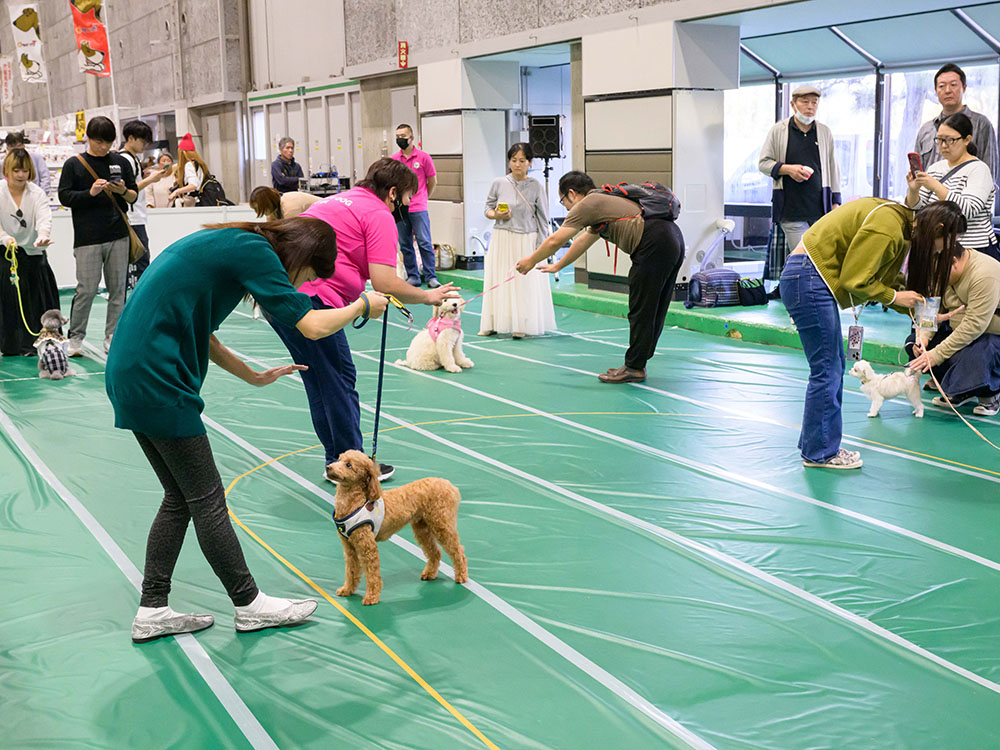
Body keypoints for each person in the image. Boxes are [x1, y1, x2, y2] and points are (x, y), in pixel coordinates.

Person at [105, 216, 390, 643]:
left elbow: (203, 335)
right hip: (158, 379)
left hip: (130, 373)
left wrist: (252, 376)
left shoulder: (231, 243)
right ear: (300, 257)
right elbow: (311, 325)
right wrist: (363, 305)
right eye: (308, 274)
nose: (301, 283)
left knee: (179, 497)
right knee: (207, 500)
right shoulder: (255, 253)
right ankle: (249, 604)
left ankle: (153, 608)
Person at [266, 158, 460, 482]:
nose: (409, 206)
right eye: (408, 198)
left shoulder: (342, 200)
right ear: (393, 193)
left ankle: (336, 462)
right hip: (313, 299)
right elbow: (384, 281)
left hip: (279, 294)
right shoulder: (379, 214)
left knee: (319, 380)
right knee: (339, 380)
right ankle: (352, 468)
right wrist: (429, 296)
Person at [778, 198, 928, 470]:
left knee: (831, 367)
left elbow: (882, 281)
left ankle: (816, 446)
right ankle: (821, 452)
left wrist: (919, 314)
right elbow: (855, 280)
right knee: (827, 369)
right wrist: (895, 296)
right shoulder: (889, 226)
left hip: (806, 278)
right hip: (808, 278)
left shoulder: (897, 225)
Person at [515, 170, 685, 384]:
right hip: (672, 239)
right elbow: (582, 241)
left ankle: (635, 367)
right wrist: (558, 265)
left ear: (572, 194)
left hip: (654, 242)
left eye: (563, 201)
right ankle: (636, 363)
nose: (566, 208)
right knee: (654, 307)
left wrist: (530, 261)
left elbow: (555, 240)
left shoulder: (590, 203)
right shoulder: (603, 201)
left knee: (642, 308)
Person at [905, 202, 1000, 417]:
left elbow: (974, 326)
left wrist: (936, 355)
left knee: (980, 351)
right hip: (962, 328)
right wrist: (924, 337)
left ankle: (991, 393)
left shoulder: (984, 273)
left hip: (991, 334)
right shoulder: (940, 267)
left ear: (954, 262)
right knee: (913, 345)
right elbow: (930, 308)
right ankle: (957, 385)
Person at [58, 116, 138, 356]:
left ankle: (113, 336)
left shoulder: (120, 161)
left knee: (118, 290)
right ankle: (75, 337)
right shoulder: (75, 164)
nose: (104, 147)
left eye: (108, 142)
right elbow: (64, 197)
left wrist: (122, 190)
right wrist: (90, 193)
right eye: (99, 141)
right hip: (87, 238)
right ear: (89, 139)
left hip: (118, 235)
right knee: (86, 290)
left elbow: (134, 196)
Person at [758, 85, 842, 293]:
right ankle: (800, 295)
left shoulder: (824, 132)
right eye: (805, 102)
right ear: (793, 104)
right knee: (804, 254)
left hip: (820, 207)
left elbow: (832, 166)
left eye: (814, 103)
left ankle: (806, 293)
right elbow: (763, 163)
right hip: (791, 207)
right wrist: (788, 169)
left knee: (819, 254)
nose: (810, 107)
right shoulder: (779, 130)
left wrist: (836, 200)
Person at [480, 142, 555, 339]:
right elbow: (487, 209)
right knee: (498, 278)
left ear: (530, 162)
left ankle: (520, 323)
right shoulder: (499, 183)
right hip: (502, 237)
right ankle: (492, 321)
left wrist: (541, 246)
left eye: (522, 161)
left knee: (523, 283)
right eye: (514, 160)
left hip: (527, 240)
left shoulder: (536, 186)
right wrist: (496, 214)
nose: (517, 164)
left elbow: (543, 219)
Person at [905, 112, 998, 262]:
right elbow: (917, 208)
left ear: (967, 139)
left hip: (972, 250)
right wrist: (913, 190)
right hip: (938, 246)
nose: (943, 145)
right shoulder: (935, 168)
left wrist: (935, 186)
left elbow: (967, 211)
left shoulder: (979, 169)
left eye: (950, 140)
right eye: (939, 139)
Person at [0, 148, 56, 356]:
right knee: (8, 298)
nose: (20, 175)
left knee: (37, 297)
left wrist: (43, 235)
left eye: (24, 171)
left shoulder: (37, 193)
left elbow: (44, 217)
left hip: (34, 252)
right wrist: (5, 239)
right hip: (6, 253)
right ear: (7, 169)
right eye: (16, 170)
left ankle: (38, 342)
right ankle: (10, 344)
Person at [915, 63, 998, 181]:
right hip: (929, 198)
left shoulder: (981, 124)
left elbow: (990, 174)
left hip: (966, 197)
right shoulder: (926, 129)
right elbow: (918, 174)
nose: (947, 90)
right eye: (942, 86)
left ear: (964, 88)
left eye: (953, 85)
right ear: (935, 90)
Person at [120, 120, 168, 289]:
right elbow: (127, 190)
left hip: (136, 217)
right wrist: (150, 179)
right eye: (142, 141)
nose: (144, 146)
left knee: (139, 263)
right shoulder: (126, 159)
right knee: (139, 263)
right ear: (131, 138)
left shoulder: (132, 159)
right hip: (132, 218)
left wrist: (145, 175)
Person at [391, 123, 440, 288]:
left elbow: (432, 181)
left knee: (424, 242)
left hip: (419, 207)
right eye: (397, 137)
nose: (400, 140)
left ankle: (431, 276)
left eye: (403, 137)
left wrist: (424, 198)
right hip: (400, 209)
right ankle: (413, 276)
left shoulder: (424, 157)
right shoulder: (394, 160)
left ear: (412, 138)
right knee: (405, 244)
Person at [168, 133, 209, 207]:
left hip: (194, 204)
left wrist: (176, 192)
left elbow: (193, 185)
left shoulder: (189, 165)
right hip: (202, 201)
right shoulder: (200, 164)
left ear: (182, 153)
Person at [4, 131, 50, 195]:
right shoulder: (3, 163)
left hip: (35, 196)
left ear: (23, 145)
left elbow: (45, 178)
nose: (16, 149)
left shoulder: (36, 158)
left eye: (18, 145)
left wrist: (41, 195)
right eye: (12, 146)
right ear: (7, 148)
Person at [249, 185, 320, 221]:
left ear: (268, 204)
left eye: (259, 208)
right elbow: (270, 228)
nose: (257, 212)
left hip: (327, 211)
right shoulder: (273, 209)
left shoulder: (289, 208)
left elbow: (292, 232)